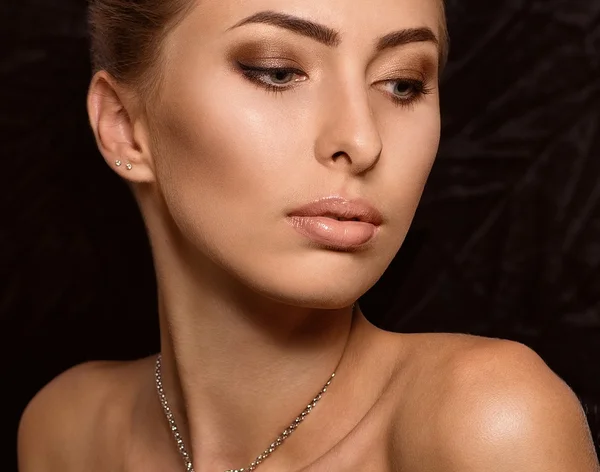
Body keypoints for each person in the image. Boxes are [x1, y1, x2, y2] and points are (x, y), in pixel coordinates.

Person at [16, 0, 599, 470]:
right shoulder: (64, 432)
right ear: (125, 128)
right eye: (277, 71)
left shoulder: (486, 421)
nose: (362, 140)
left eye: (401, 84)